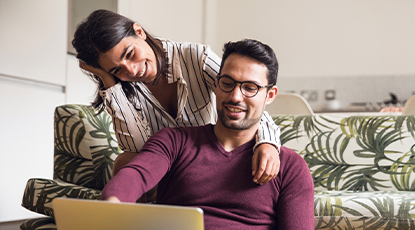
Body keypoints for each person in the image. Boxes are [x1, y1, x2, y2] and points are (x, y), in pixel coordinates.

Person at [101, 39, 315, 229]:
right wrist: (112, 204)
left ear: (270, 95)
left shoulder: (290, 167)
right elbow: (136, 175)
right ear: (216, 84)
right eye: (227, 83)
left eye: (250, 88)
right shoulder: (174, 141)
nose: (235, 97)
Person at [71, 9, 282, 195]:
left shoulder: (196, 58)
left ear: (139, 31)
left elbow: (243, 98)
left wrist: (268, 143)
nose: (132, 70)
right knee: (125, 161)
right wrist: (110, 83)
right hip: (164, 167)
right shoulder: (122, 88)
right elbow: (136, 150)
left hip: (209, 158)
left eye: (130, 54)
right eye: (117, 69)